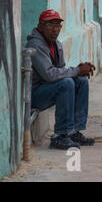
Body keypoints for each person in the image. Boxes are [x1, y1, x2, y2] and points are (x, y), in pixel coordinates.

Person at [26, 10, 96, 150]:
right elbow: (50, 75)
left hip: (48, 89)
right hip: (34, 95)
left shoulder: (56, 44)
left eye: (58, 26)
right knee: (66, 83)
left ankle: (73, 131)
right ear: (40, 26)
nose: (55, 30)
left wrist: (78, 72)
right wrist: (76, 71)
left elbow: (61, 70)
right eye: (50, 25)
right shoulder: (36, 45)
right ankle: (60, 135)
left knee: (81, 82)